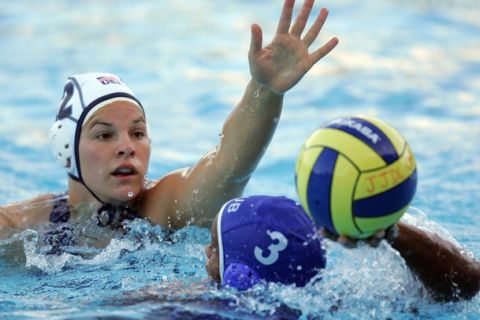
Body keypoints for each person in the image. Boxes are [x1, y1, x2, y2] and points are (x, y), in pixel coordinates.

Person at [0, 0, 339, 244]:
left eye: (138, 132)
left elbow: (228, 168)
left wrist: (264, 91)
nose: (127, 147)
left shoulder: (163, 206)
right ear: (66, 149)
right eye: (104, 135)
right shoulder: (26, 225)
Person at [205, 196, 480, 302]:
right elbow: (465, 285)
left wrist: (388, 230)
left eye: (216, 248)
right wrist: (391, 232)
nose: (206, 251)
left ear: (238, 275)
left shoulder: (197, 305)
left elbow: (469, 283)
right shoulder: (334, 304)